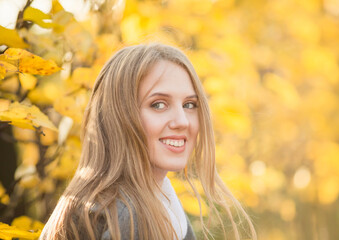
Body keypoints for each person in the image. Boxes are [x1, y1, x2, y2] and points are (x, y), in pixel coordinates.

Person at [40, 43, 257, 240]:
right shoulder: (127, 216)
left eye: (189, 105)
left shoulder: (159, 200)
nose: (182, 121)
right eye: (159, 105)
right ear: (119, 116)